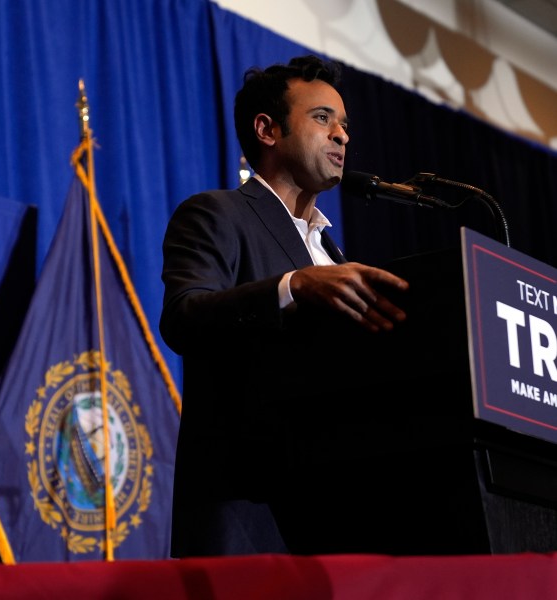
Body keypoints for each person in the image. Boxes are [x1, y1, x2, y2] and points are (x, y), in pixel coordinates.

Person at [160, 55, 409, 557]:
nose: (342, 136)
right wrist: (295, 285)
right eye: (323, 118)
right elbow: (185, 317)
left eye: (345, 124)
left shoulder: (333, 252)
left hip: (336, 512)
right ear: (267, 130)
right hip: (250, 510)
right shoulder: (217, 214)